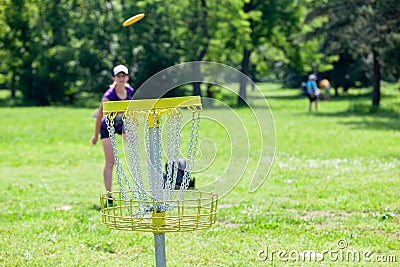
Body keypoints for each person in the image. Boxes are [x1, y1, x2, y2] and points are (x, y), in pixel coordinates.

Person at [91, 64, 135, 206]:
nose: (121, 78)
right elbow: (99, 116)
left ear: (127, 77)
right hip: (107, 127)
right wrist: (95, 135)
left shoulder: (130, 91)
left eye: (124, 76)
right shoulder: (108, 96)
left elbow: (133, 111)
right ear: (114, 78)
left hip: (122, 125)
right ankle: (109, 195)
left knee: (137, 152)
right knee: (111, 162)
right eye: (118, 76)